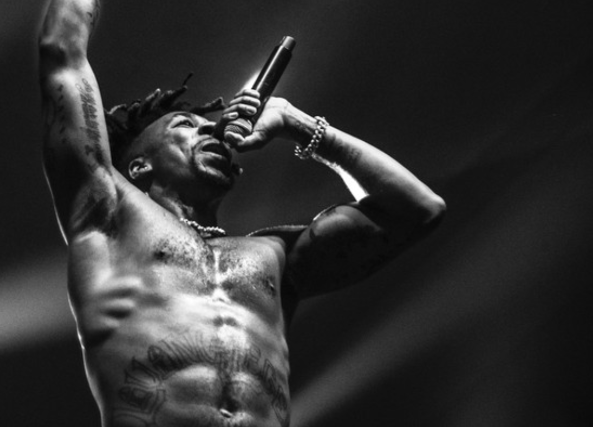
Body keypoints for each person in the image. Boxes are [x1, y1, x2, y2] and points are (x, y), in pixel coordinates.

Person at [38, 1, 445, 426]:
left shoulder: (275, 254)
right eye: (186, 125)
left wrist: (298, 124)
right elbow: (61, 49)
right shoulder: (107, 211)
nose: (210, 128)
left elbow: (418, 210)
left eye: (206, 124)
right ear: (139, 167)